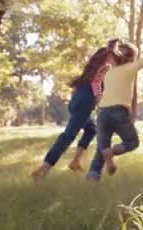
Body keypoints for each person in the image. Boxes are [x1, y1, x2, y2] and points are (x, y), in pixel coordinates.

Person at [32, 39, 121, 183]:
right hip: (86, 102)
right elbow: (96, 83)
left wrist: (77, 100)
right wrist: (99, 101)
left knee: (91, 129)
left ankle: (75, 162)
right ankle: (43, 169)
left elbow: (82, 83)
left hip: (78, 99)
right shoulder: (106, 65)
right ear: (112, 53)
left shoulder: (94, 64)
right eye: (117, 53)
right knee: (67, 136)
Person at [86, 42, 143, 181]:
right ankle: (111, 152)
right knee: (132, 142)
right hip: (119, 112)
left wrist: (99, 99)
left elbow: (97, 82)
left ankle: (92, 176)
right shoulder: (130, 68)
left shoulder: (108, 73)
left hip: (103, 113)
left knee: (101, 148)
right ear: (130, 58)